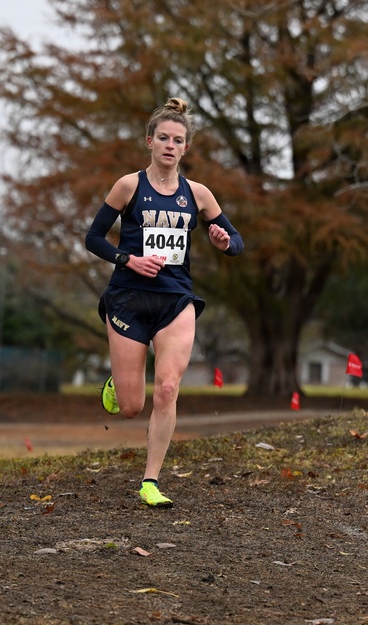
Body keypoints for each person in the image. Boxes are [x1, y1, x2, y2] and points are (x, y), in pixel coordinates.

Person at [84, 97, 243, 508]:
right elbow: (94, 238)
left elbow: (236, 242)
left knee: (168, 389)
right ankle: (118, 386)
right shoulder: (129, 186)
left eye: (179, 140)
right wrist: (128, 258)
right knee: (132, 407)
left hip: (176, 300)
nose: (171, 145)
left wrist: (224, 241)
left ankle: (150, 481)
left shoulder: (199, 194)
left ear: (186, 148)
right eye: (164, 138)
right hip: (128, 298)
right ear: (150, 142)